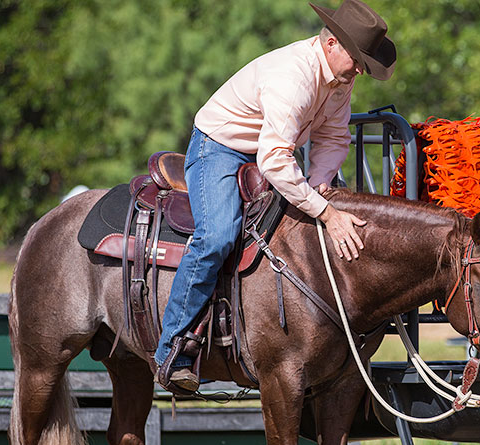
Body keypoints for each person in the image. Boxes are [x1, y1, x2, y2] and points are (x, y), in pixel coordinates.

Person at [154, 0, 396, 393]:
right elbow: (275, 159)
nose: (358, 71)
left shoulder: (339, 77)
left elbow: (334, 137)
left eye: (364, 64)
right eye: (356, 60)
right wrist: (327, 212)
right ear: (331, 43)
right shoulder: (294, 77)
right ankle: (172, 350)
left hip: (271, 150)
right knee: (217, 235)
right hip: (220, 148)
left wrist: (319, 183)